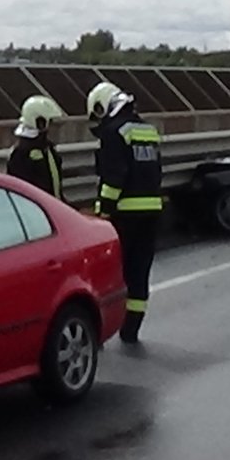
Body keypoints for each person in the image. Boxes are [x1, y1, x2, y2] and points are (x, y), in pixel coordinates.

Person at [87, 82, 164, 345]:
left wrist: (103, 211)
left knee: (113, 273)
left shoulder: (113, 132)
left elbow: (114, 177)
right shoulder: (148, 130)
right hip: (151, 211)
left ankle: (102, 328)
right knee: (139, 271)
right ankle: (131, 330)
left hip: (124, 214)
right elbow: (156, 171)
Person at [6, 95, 65, 198]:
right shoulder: (20, 152)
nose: (53, 128)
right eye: (50, 123)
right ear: (40, 122)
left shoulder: (48, 148)